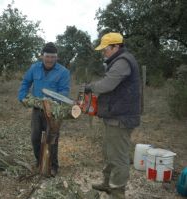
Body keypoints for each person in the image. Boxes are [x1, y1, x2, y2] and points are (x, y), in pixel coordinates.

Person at [83, 32, 140, 198]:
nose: (103, 52)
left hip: (121, 118)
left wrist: (90, 87)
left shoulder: (123, 62)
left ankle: (117, 192)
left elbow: (107, 84)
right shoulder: (118, 61)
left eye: (105, 49)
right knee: (109, 152)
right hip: (114, 115)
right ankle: (108, 183)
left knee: (119, 157)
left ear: (116, 47)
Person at [18, 42, 70, 176]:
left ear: (56, 57)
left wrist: (54, 103)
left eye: (53, 57)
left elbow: (64, 91)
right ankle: (39, 162)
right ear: (42, 56)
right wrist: (22, 97)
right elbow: (25, 83)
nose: (50, 59)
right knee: (35, 138)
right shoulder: (34, 68)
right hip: (37, 109)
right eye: (47, 56)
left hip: (54, 112)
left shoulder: (63, 72)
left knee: (51, 139)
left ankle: (53, 166)